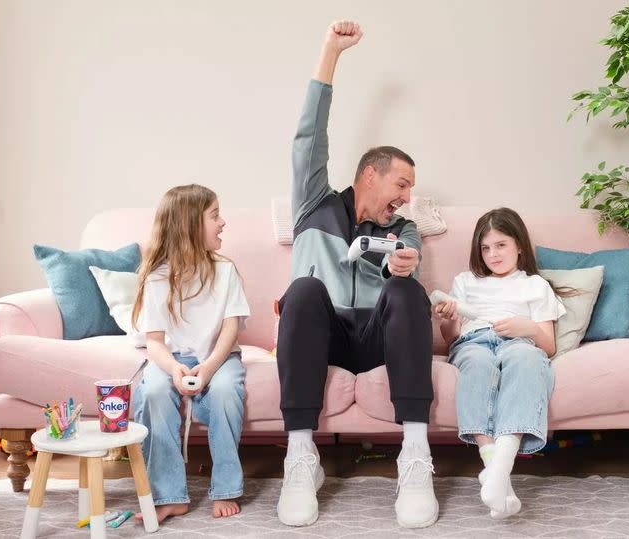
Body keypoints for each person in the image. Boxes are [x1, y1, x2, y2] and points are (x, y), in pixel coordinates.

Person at [275, 20, 437, 529]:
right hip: (320, 336)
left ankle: (415, 456)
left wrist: (400, 264)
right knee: (301, 290)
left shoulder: (404, 229)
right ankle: (300, 459)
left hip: (371, 337)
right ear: (370, 174)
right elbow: (309, 137)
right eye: (402, 184)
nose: (407, 197)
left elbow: (404, 260)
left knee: (407, 291)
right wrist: (330, 53)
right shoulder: (313, 207)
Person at [434, 207, 565, 519]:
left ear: (519, 245)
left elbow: (548, 346)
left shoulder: (535, 285)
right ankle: (496, 471)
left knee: (527, 359)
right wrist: (449, 321)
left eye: (501, 245)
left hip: (520, 341)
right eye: (486, 247)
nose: (493, 254)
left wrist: (529, 328)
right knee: (477, 365)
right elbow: (451, 339)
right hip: (473, 341)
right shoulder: (465, 282)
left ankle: (498, 469)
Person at [131, 184, 250, 523]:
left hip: (220, 356)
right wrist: (173, 369)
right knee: (152, 391)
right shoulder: (157, 277)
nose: (222, 222)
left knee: (227, 391)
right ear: (189, 226)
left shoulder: (225, 270)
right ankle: (169, 496)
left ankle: (226, 487)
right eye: (215, 216)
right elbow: (154, 341)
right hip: (173, 358)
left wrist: (210, 367)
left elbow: (230, 328)